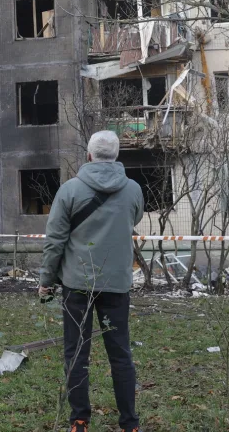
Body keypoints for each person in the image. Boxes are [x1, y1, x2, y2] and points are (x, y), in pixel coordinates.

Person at [39, 131, 145, 432]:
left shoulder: (69, 190)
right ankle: (129, 424)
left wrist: (46, 279)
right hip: (116, 284)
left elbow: (55, 240)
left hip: (77, 284)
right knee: (120, 354)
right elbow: (132, 220)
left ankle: (80, 420)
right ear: (116, 156)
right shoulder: (133, 190)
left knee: (76, 353)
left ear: (88, 155)